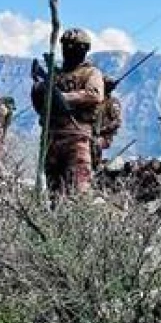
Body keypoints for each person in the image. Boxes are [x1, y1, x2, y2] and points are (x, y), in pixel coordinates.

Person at [30, 28, 104, 198]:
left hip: (77, 137)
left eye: (76, 47)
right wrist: (40, 90)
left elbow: (94, 95)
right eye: (67, 46)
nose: (70, 50)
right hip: (53, 137)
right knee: (54, 193)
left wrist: (63, 97)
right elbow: (41, 105)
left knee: (78, 193)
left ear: (84, 50)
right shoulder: (55, 75)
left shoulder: (91, 73)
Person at [92, 76, 123, 168]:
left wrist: (103, 129)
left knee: (95, 144)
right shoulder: (94, 99)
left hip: (104, 136)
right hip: (88, 132)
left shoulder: (112, 102)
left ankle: (95, 166)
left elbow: (117, 122)